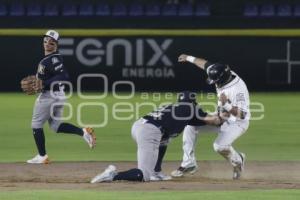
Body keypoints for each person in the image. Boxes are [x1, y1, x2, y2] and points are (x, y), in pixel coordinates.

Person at [90, 91, 223, 183]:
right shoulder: (189, 107)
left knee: (164, 141)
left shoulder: (176, 108)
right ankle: (112, 175)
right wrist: (224, 111)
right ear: (193, 102)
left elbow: (198, 121)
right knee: (142, 175)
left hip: (140, 126)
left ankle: (156, 172)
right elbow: (212, 120)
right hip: (150, 131)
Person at [171, 54, 250, 180]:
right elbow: (204, 64)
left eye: (216, 81)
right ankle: (188, 163)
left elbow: (243, 114)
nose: (214, 83)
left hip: (237, 122)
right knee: (190, 126)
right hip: (222, 116)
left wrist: (227, 105)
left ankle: (238, 160)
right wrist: (188, 58)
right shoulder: (220, 72)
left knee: (219, 146)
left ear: (223, 78)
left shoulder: (237, 89)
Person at [27, 30, 96, 164]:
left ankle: (42, 156)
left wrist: (44, 83)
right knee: (55, 126)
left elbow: (63, 76)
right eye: (46, 40)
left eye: (51, 42)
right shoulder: (51, 59)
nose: (48, 43)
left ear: (56, 45)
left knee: (36, 124)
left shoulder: (52, 58)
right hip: (58, 95)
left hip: (49, 96)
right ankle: (83, 132)